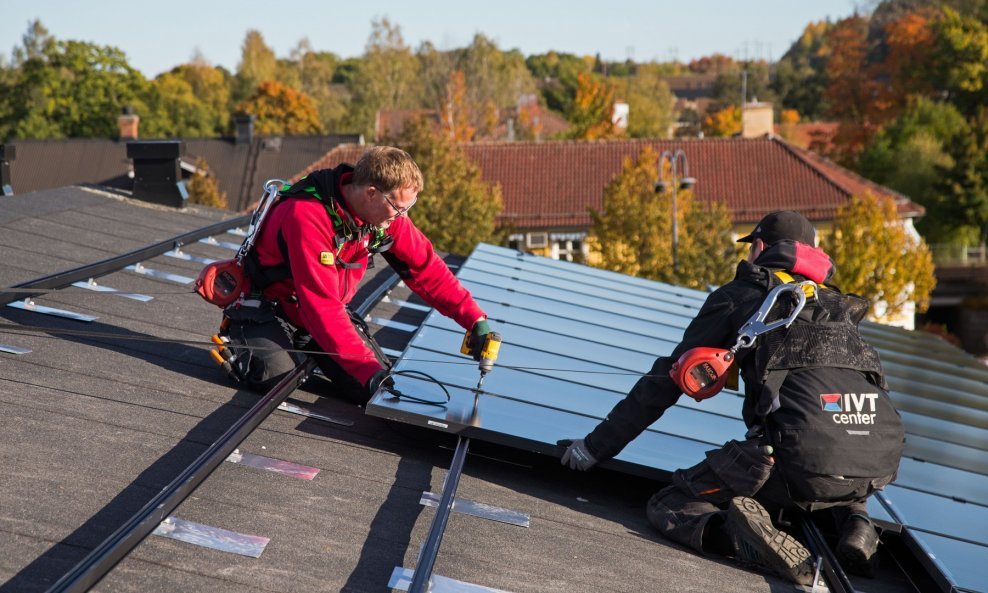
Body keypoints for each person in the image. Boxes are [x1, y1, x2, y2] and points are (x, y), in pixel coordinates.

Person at [559, 211, 905, 585]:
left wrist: (594, 448)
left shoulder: (744, 296)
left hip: (789, 463)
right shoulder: (840, 307)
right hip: (874, 468)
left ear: (758, 248)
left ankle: (734, 536)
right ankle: (857, 523)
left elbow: (668, 379)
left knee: (671, 504)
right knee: (832, 458)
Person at [219, 146, 492, 404]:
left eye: (408, 210)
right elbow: (321, 307)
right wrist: (365, 369)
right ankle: (242, 338)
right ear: (372, 193)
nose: (402, 218)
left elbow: (426, 268)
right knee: (275, 377)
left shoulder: (384, 218)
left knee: (374, 388)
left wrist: (473, 319)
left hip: (313, 312)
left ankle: (302, 346)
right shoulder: (308, 216)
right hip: (266, 306)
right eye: (400, 209)